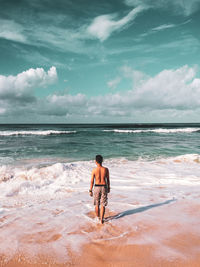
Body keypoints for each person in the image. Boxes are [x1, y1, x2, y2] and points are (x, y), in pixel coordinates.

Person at [89, 155, 110, 224]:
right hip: (104, 186)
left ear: (95, 161)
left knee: (97, 204)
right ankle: (101, 220)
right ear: (102, 161)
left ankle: (98, 218)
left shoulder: (94, 170)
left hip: (97, 187)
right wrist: (109, 187)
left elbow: (92, 181)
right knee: (103, 204)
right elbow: (108, 180)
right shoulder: (106, 169)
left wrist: (90, 190)